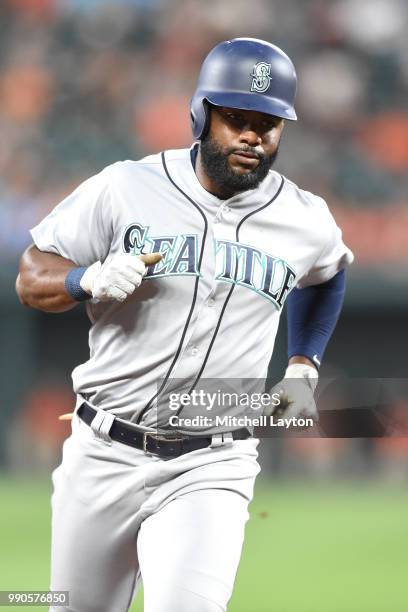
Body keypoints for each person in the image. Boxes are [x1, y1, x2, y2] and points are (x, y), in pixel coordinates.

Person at [16, 38, 353, 612]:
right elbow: (31, 275)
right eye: (237, 119)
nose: (253, 136)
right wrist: (86, 280)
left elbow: (327, 275)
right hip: (102, 451)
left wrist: (304, 362)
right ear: (201, 115)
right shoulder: (124, 187)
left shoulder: (304, 218)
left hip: (213, 458)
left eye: (268, 123)